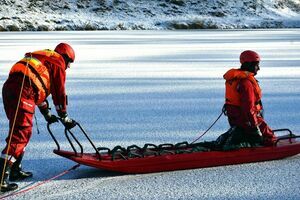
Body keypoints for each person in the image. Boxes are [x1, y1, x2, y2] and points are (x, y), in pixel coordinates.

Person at [0, 43, 77, 193]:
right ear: (66, 57)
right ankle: (1, 178)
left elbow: (38, 90)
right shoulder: (58, 62)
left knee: (19, 130)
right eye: (70, 63)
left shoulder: (43, 58)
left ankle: (15, 170)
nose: (68, 67)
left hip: (11, 89)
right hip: (23, 91)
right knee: (21, 133)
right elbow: (59, 92)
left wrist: (47, 114)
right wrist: (64, 117)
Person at [219, 50, 277, 150]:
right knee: (270, 139)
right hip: (246, 118)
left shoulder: (236, 78)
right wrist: (255, 127)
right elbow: (248, 108)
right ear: (249, 64)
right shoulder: (246, 83)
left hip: (236, 118)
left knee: (246, 134)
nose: (258, 68)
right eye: (256, 65)